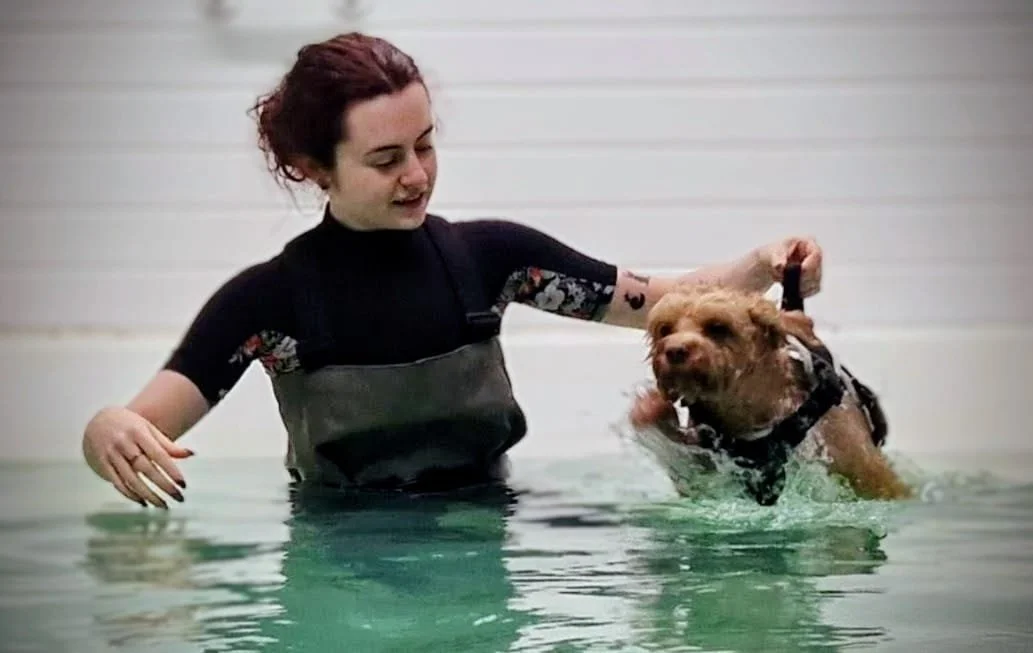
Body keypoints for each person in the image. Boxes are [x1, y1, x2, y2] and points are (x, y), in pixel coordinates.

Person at [81, 32, 824, 509]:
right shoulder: (267, 304)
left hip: (484, 540)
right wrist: (103, 428)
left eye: (425, 145)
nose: (416, 174)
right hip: (340, 564)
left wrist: (762, 262)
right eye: (385, 159)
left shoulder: (491, 259)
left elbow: (669, 300)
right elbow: (138, 423)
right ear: (313, 169)